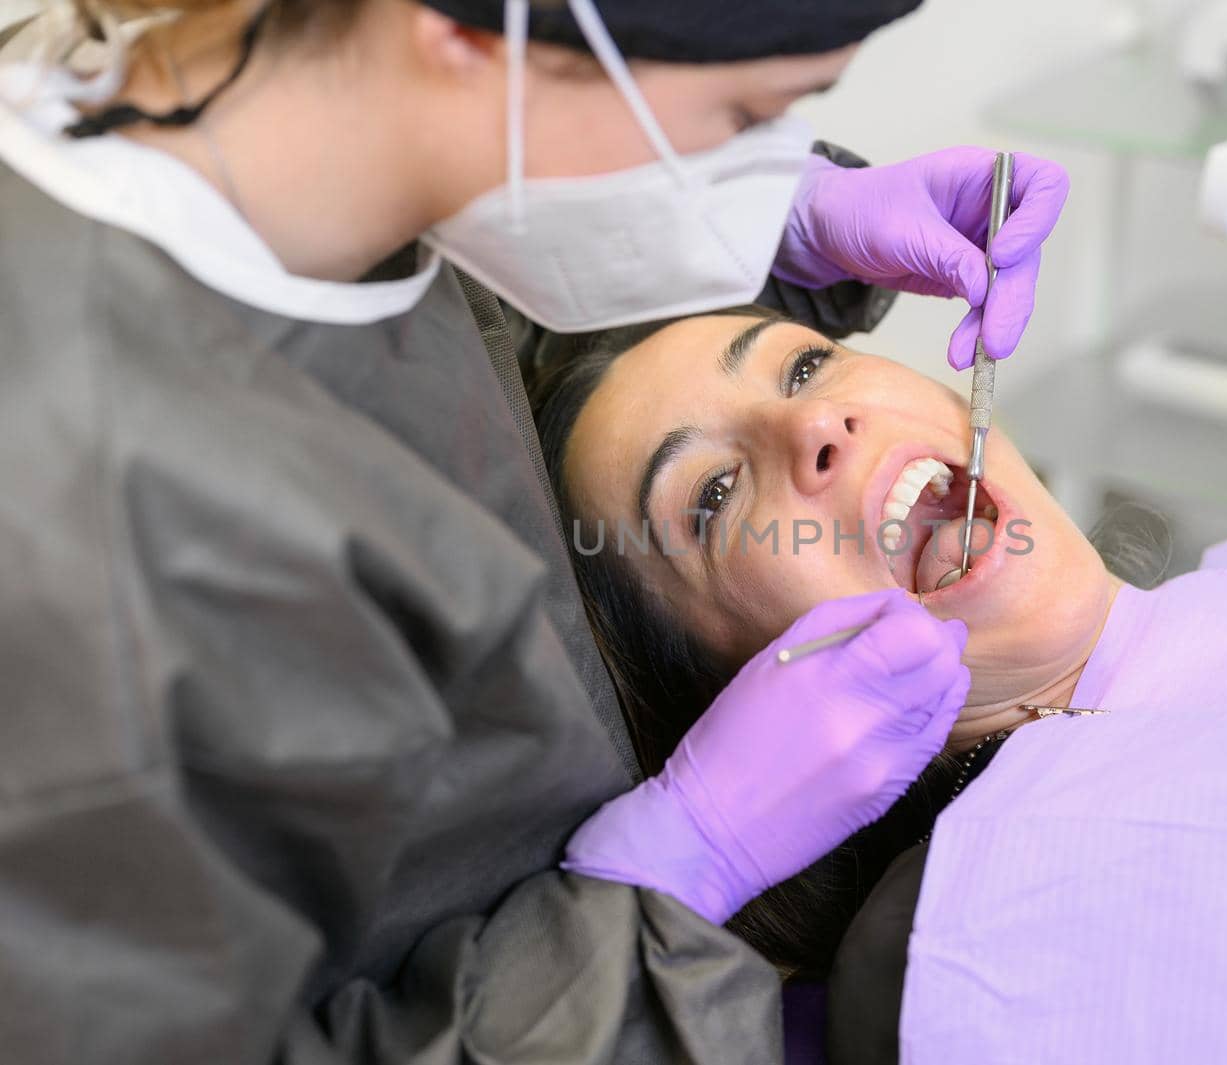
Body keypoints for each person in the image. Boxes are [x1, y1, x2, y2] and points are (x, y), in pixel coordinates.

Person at [0, 1, 1073, 1062]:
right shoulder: (79, 541)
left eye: (802, 362)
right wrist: (661, 897)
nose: (820, 427)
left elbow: (529, 376)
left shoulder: (319, 164)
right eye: (742, 116)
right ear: (468, 39)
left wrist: (777, 233)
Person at [531, 307, 1227, 1063]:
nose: (814, 426)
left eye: (803, 365)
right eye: (713, 493)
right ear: (725, 700)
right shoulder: (950, 961)